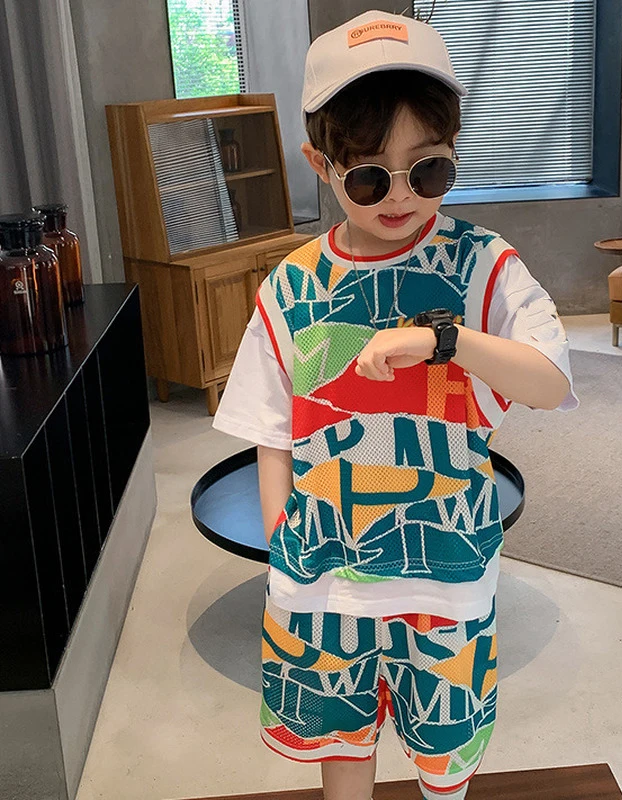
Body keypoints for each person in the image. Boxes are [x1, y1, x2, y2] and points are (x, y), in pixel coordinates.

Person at [212, 9, 578, 800]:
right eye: (370, 177)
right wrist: (281, 537)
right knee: (341, 745)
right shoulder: (292, 287)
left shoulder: (482, 266)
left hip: (446, 570)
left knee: (445, 756)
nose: (401, 197)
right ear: (321, 163)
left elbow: (550, 380)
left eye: (429, 170)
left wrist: (447, 340)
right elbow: (270, 427)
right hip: (323, 574)